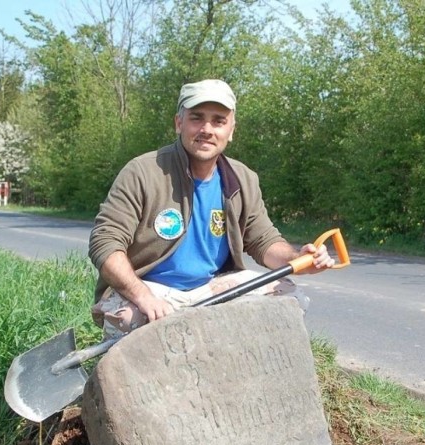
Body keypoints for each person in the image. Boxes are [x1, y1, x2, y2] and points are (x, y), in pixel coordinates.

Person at [88, 79, 335, 338]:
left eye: (218, 121)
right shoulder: (142, 172)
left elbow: (263, 240)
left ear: (231, 129)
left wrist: (298, 259)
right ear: (178, 123)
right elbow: (105, 243)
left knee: (289, 298)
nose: (207, 129)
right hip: (151, 290)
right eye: (197, 118)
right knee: (129, 320)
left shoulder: (243, 178)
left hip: (211, 289)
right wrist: (143, 296)